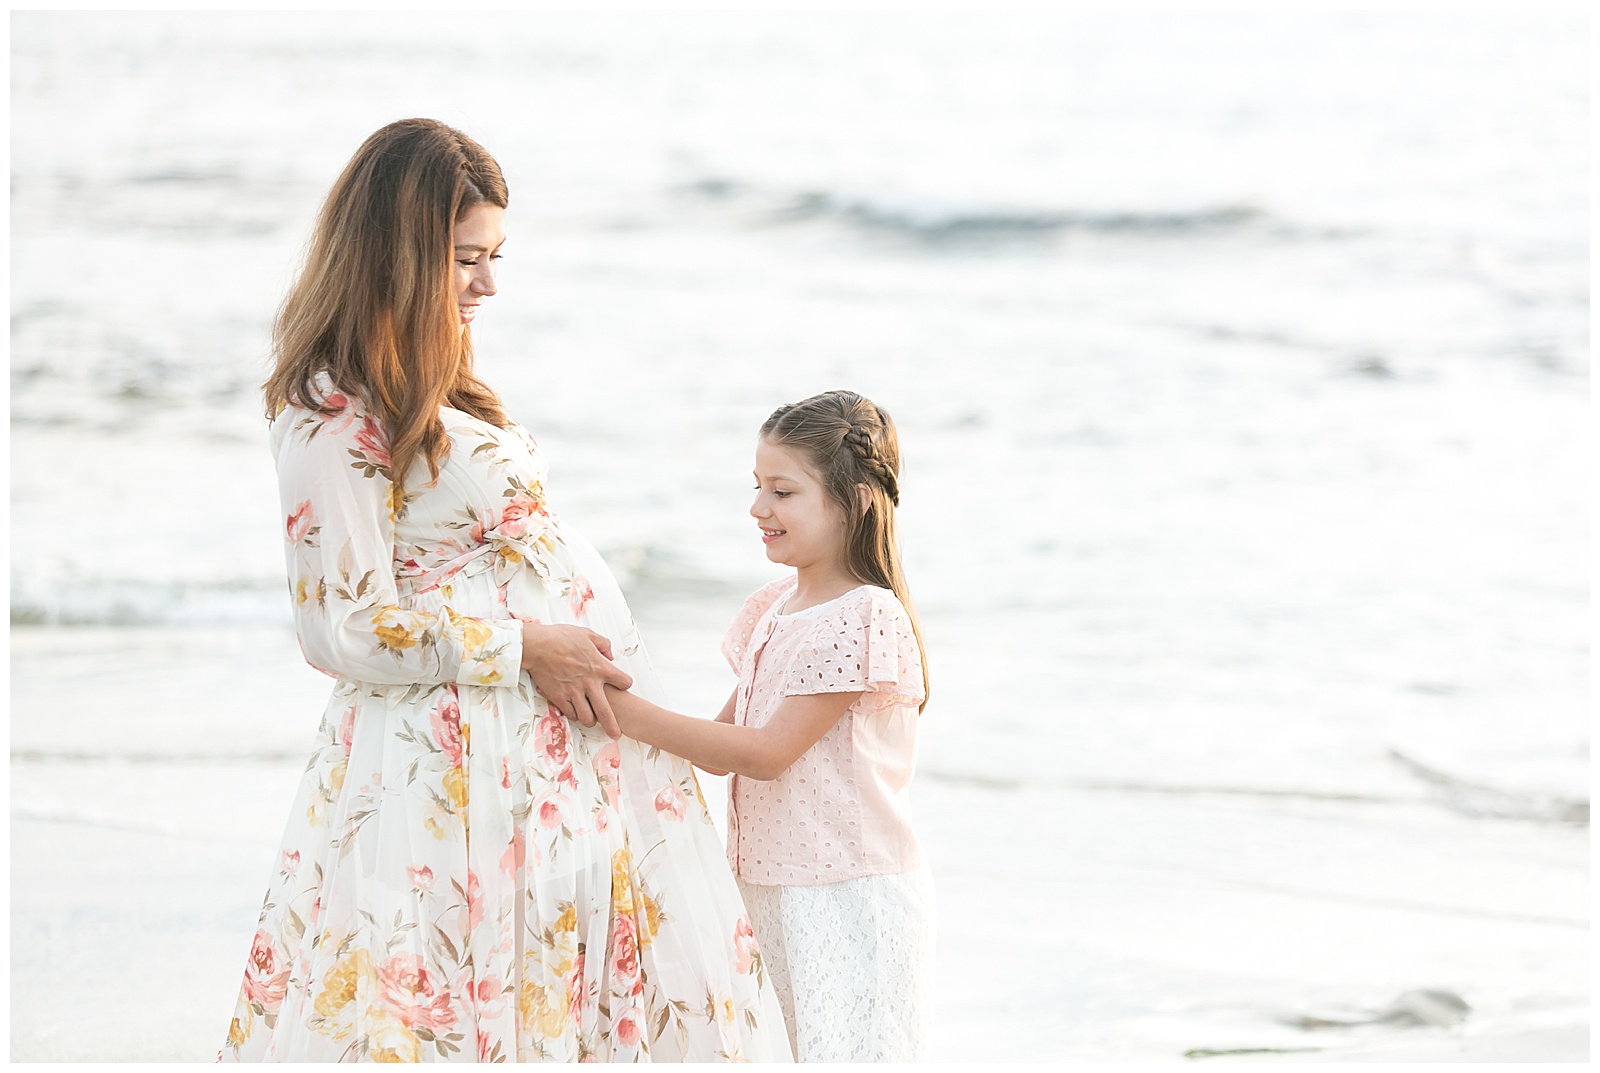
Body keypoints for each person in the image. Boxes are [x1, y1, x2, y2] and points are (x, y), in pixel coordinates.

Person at [220, 118, 790, 1063]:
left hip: (532, 756)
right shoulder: (333, 403)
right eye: (464, 259)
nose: (488, 284)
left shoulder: (433, 374)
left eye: (494, 256)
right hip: (448, 763)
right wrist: (528, 645)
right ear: (397, 255)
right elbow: (341, 627)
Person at [602, 390, 935, 1062]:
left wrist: (626, 712)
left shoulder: (864, 614)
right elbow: (723, 746)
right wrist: (611, 707)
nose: (758, 508)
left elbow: (766, 752)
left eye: (782, 491)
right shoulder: (774, 607)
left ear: (857, 500)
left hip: (846, 896)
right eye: (757, 487)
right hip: (766, 887)